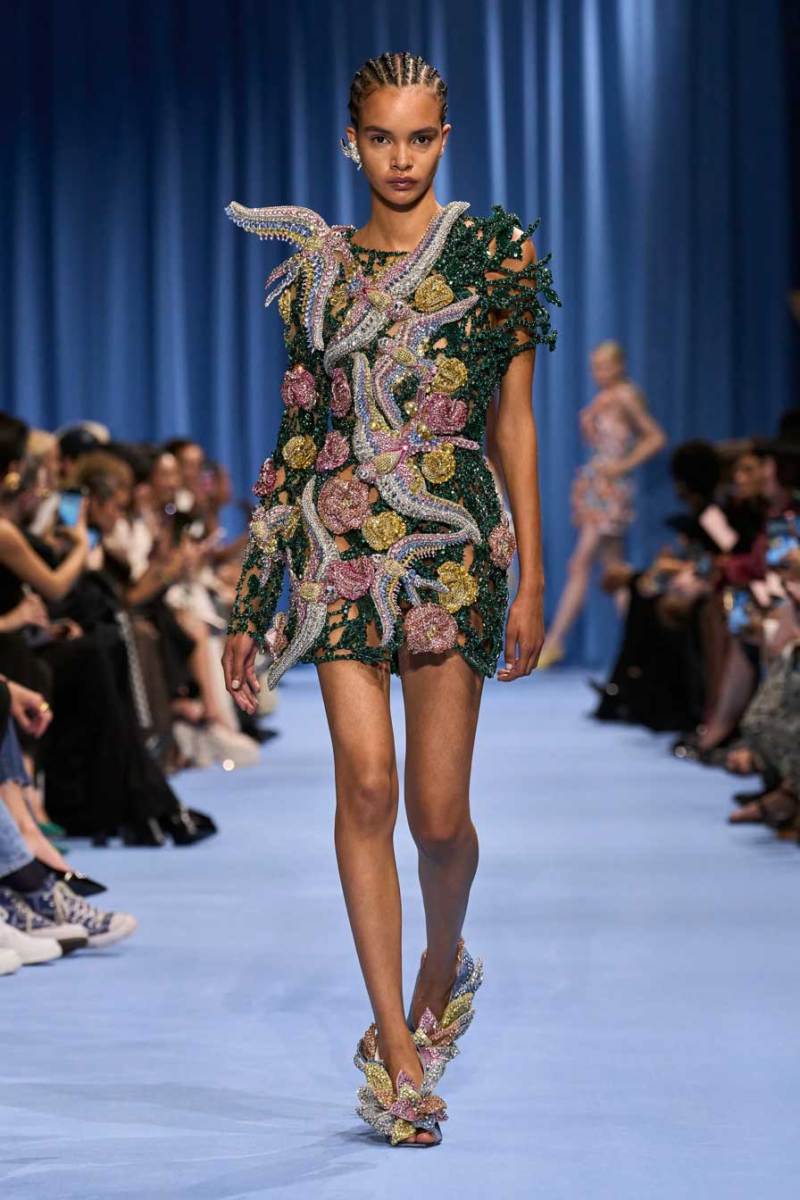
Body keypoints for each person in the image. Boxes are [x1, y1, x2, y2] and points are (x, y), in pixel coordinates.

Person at [221, 50, 560, 1148]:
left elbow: (513, 422)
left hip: (453, 550)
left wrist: (533, 575)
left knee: (437, 818)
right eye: (381, 138)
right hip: (337, 548)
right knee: (364, 788)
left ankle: (439, 963)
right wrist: (251, 599)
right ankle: (397, 1055)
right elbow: (296, 434)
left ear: (444, 139)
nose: (400, 159)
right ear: (350, 142)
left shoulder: (494, 253)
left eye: (419, 138)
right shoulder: (316, 271)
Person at [538, 340, 666, 667]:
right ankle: (644, 642)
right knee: (613, 570)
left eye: (606, 366)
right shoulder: (606, 397)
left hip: (610, 489)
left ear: (620, 366)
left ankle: (555, 641)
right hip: (598, 485)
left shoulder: (624, 396)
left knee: (580, 563)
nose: (599, 373)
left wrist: (623, 465)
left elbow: (655, 437)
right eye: (595, 367)